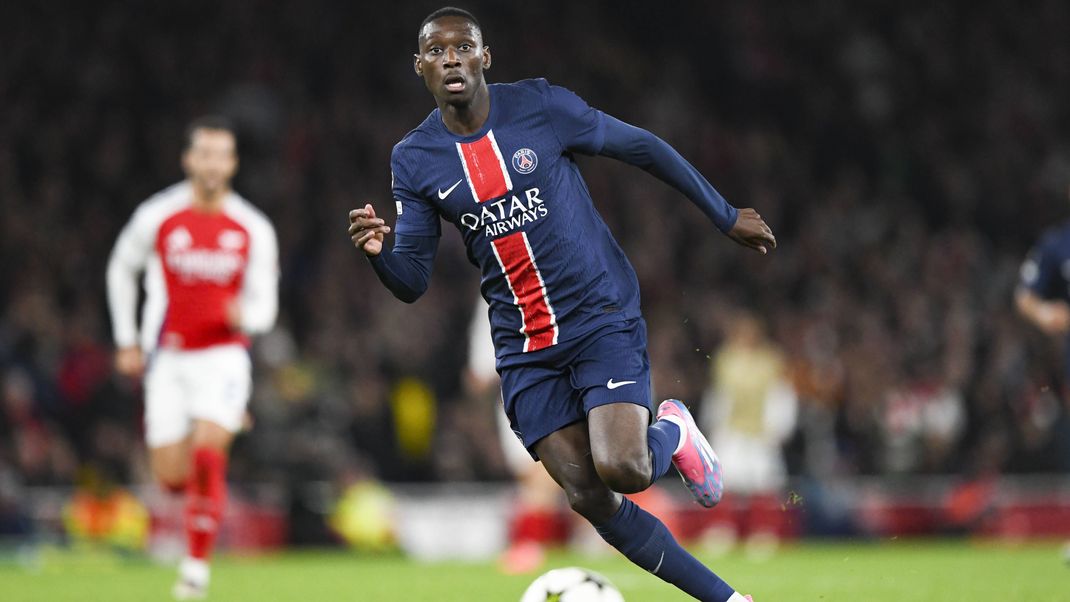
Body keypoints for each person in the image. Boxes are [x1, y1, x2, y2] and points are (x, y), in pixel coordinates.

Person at [349, 8, 774, 601]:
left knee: (625, 467)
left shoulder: (541, 107)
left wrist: (724, 214)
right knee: (590, 497)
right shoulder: (414, 158)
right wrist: (377, 252)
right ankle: (730, 600)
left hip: (599, 315)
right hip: (525, 346)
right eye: (436, 51)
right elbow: (412, 278)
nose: (451, 58)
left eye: (462, 47)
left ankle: (671, 432)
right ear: (419, 65)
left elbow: (642, 147)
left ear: (484, 58)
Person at [106, 116, 279, 600]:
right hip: (169, 361)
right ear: (188, 159)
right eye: (203, 153)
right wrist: (126, 340)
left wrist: (244, 315)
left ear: (233, 163)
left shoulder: (252, 227)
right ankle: (226, 424)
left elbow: (266, 305)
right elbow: (121, 268)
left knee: (207, 451)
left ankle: (195, 571)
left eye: (220, 154)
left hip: (223, 357)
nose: (211, 163)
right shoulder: (158, 216)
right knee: (172, 476)